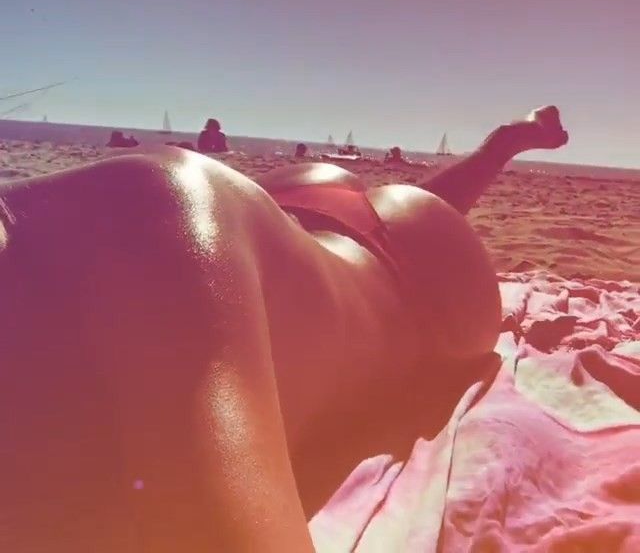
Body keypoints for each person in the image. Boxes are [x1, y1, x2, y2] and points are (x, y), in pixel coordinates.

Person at [0, 104, 568, 552]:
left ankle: (502, 144)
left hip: (399, 268)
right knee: (342, 252)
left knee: (390, 244)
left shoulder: (140, 276)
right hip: (246, 212)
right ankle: (503, 142)